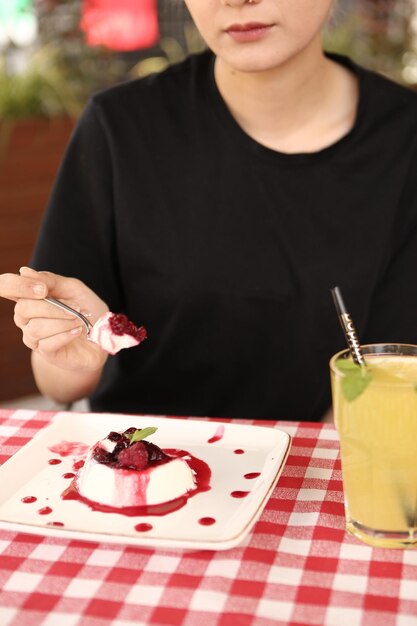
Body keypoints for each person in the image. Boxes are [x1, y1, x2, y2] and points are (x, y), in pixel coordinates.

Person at [1, 0, 417, 421]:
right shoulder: (121, 127)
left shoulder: (405, 140)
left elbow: (395, 378)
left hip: (331, 467)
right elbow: (57, 384)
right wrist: (69, 348)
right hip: (149, 469)